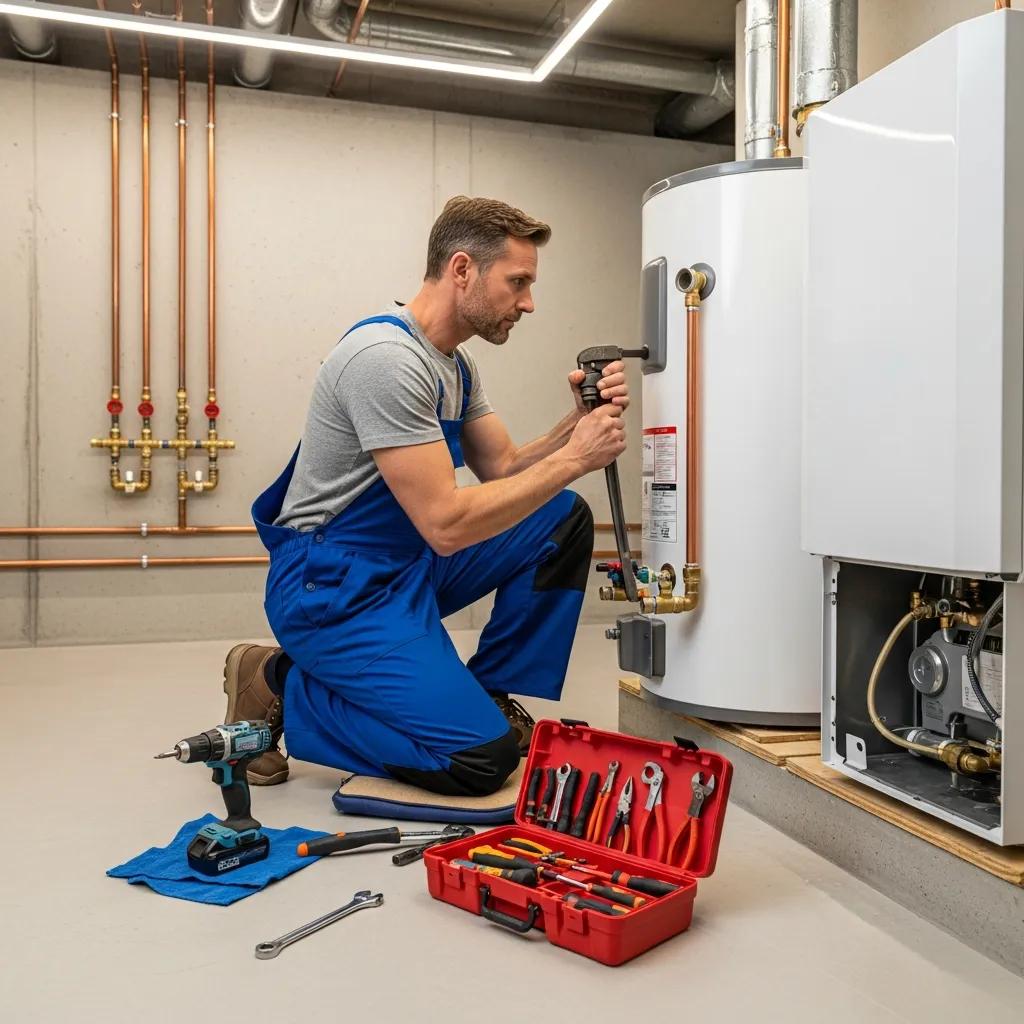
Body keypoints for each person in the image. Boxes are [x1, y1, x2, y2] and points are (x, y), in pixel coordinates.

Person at [222, 195, 629, 796]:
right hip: (334, 590)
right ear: (462, 269)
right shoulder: (386, 361)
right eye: (517, 282)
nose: (528, 302)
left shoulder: (454, 367)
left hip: (405, 567)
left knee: (560, 516)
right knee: (479, 763)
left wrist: (574, 424)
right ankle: (278, 681)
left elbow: (507, 469)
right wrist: (577, 458)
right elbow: (445, 524)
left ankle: (490, 694)